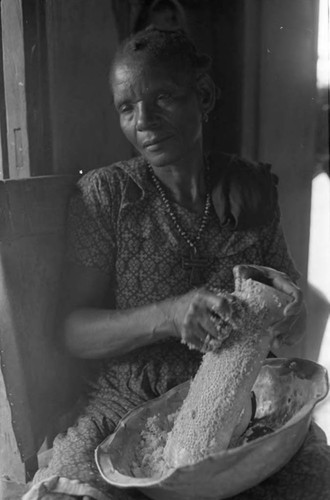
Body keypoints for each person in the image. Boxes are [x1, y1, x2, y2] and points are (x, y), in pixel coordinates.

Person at [25, 27, 330, 500]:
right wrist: (168, 315)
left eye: (162, 97)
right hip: (125, 412)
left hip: (237, 414)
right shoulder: (108, 197)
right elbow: (72, 330)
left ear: (203, 95)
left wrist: (291, 318)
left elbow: (289, 305)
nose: (143, 121)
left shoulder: (248, 192)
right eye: (127, 108)